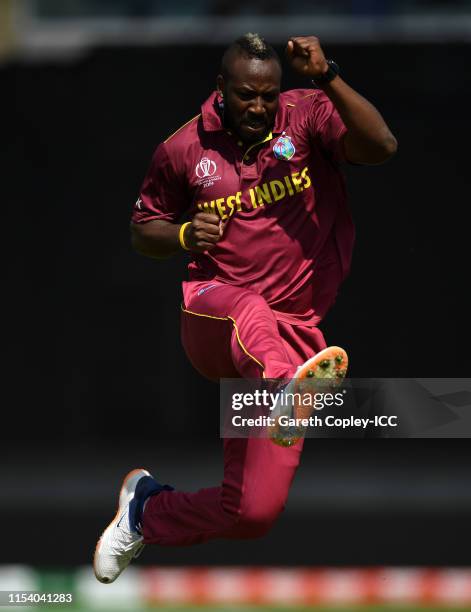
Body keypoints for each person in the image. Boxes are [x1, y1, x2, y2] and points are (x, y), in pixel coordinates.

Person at [94, 33, 397, 584]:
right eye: (245, 96)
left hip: (289, 339)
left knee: (252, 511)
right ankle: (286, 391)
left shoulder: (306, 118)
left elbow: (381, 145)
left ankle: (145, 511)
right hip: (214, 315)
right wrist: (185, 233)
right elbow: (144, 232)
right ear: (220, 90)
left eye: (268, 95)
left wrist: (327, 73)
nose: (258, 107)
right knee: (251, 309)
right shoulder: (184, 148)